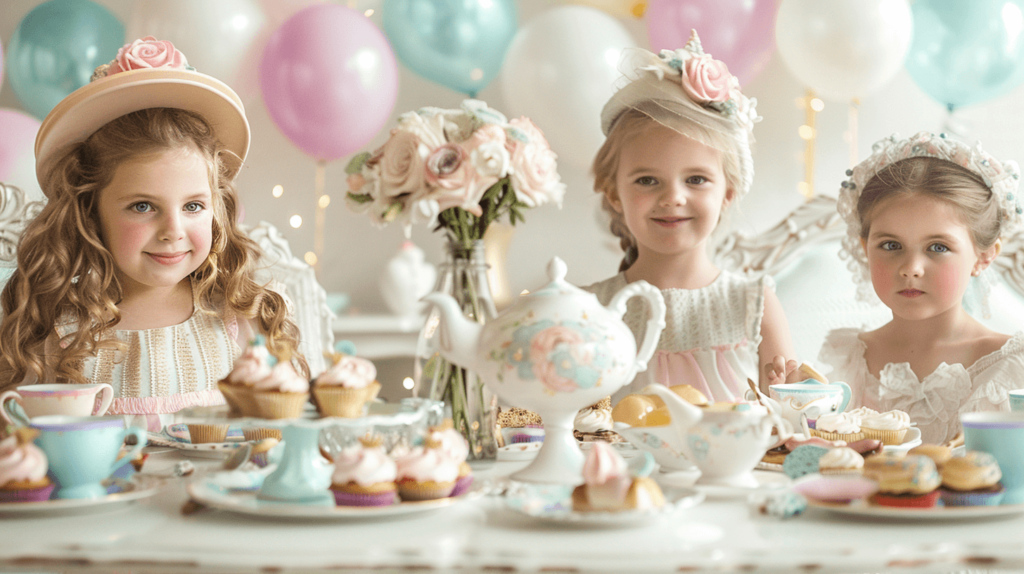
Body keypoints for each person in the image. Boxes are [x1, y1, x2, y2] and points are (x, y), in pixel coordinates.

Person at [0, 37, 308, 430]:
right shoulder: (57, 332)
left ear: (216, 208)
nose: (173, 231)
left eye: (193, 206)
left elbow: (285, 434)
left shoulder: (240, 318)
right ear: (90, 212)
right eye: (143, 207)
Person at [586, 30, 799, 403]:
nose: (673, 197)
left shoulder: (753, 304)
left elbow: (791, 422)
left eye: (696, 179)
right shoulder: (590, 311)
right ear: (613, 193)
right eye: (648, 180)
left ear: (727, 193)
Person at [819, 131, 1024, 444]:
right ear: (865, 248)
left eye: (938, 247)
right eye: (891, 245)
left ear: (983, 257)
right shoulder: (848, 361)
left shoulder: (1009, 370)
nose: (910, 268)